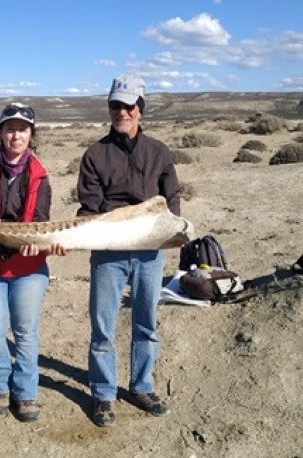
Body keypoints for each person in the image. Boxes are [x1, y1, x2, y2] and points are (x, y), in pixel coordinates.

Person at [76, 74, 182, 427]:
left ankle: (141, 386)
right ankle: (104, 394)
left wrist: (171, 230)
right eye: (115, 105)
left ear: (140, 109)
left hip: (151, 251)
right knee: (103, 327)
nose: (122, 111)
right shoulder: (95, 154)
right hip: (109, 252)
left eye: (128, 105)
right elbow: (90, 206)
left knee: (146, 324)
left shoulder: (159, 151)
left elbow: (172, 197)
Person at [0, 102, 66, 422]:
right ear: (0, 133)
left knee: (25, 331)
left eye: (22, 129)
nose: (15, 135)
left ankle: (25, 392)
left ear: (31, 134)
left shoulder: (40, 175)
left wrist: (37, 245)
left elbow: (40, 219)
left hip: (27, 269)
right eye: (10, 129)